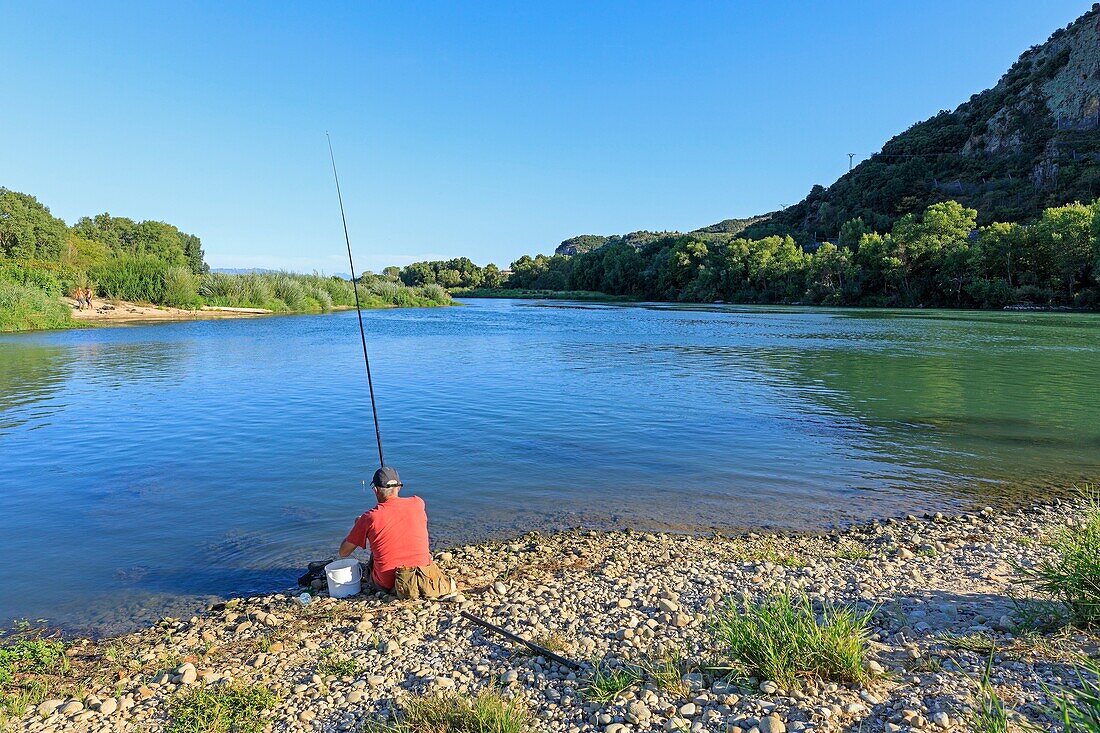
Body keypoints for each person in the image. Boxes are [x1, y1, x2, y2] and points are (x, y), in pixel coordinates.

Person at [338, 466, 453, 598]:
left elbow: (343, 552)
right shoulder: (418, 503)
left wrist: (358, 526)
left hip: (389, 582)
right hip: (423, 574)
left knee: (373, 556)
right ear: (399, 488)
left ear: (375, 490)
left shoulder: (369, 517)